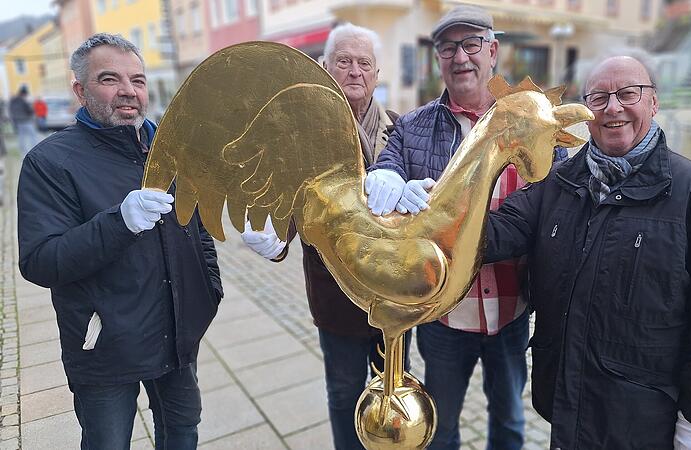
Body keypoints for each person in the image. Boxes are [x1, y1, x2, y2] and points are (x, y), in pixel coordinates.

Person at [482, 54, 691, 449]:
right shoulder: (557, 184)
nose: (613, 107)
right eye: (598, 98)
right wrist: (440, 201)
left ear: (653, 102)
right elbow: (493, 235)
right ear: (585, 110)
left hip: (646, 424)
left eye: (628, 93)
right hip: (567, 410)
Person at [17, 33, 223, 449]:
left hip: (178, 330)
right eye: (110, 79)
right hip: (105, 343)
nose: (128, 91)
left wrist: (209, 288)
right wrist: (119, 222)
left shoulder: (171, 150)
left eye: (138, 80)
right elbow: (40, 260)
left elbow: (196, 228)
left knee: (183, 431)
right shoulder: (50, 162)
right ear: (80, 89)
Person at [366, 6, 543, 449]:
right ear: (437, 59)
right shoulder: (412, 127)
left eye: (471, 45)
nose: (460, 57)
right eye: (448, 48)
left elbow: (548, 195)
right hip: (443, 318)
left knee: (509, 423)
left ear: (493, 52)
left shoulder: (524, 120)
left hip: (511, 310)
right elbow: (387, 166)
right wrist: (383, 177)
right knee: (440, 429)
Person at [239, 23, 403, 450]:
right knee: (345, 393)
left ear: (377, 73)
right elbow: (289, 198)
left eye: (363, 63)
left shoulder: (400, 128)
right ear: (324, 68)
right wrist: (276, 238)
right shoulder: (303, 135)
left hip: (393, 294)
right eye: (343, 62)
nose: (354, 71)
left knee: (392, 393)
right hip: (338, 296)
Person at [9, 85, 38, 156]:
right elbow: (29, 110)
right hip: (26, 120)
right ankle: (35, 151)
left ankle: (23, 153)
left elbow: (11, 110)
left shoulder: (13, 100)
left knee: (21, 137)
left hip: (18, 122)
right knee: (33, 135)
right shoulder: (23, 100)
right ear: (24, 93)